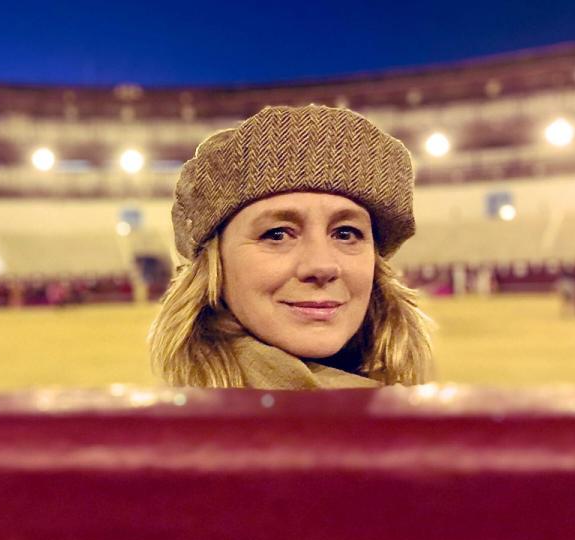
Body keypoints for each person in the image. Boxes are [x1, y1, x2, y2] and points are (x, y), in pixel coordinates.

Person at [148, 105, 432, 389]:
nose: (321, 265)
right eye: (277, 234)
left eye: (345, 233)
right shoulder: (175, 433)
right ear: (215, 265)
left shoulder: (402, 418)